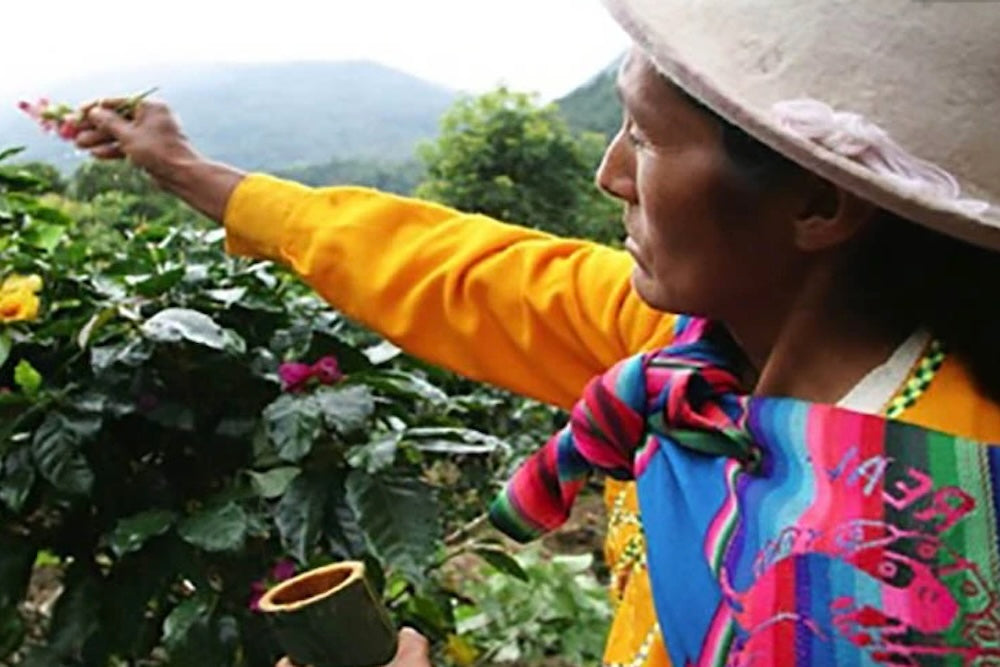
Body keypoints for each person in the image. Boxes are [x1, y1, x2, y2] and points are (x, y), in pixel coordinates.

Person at [73, 0, 1000, 664]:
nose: (608, 173)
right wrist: (193, 172)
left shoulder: (940, 548)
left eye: (641, 136)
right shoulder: (701, 351)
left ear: (819, 200)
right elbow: (465, 272)